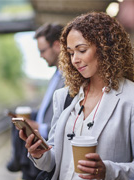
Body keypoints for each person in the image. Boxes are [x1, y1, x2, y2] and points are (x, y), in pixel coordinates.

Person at [20, 12, 134, 180]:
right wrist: (39, 153)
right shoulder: (65, 96)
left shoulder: (130, 98)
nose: (75, 60)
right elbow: (52, 163)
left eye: (81, 50)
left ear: (105, 48)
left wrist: (107, 171)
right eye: (71, 53)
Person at [7, 23, 65, 180]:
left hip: (49, 150)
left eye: (43, 51)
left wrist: (40, 127)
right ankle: (18, 160)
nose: (41, 56)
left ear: (57, 45)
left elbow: (65, 118)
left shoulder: (68, 78)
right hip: (41, 152)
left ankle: (17, 161)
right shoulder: (56, 75)